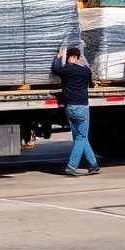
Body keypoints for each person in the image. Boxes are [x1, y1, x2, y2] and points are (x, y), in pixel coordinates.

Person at [51, 46, 99, 176]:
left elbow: (55, 69)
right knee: (81, 137)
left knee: (80, 138)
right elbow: (91, 84)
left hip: (70, 108)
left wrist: (58, 56)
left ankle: (93, 165)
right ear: (77, 58)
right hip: (82, 107)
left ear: (69, 57)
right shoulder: (86, 71)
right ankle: (72, 166)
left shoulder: (65, 70)